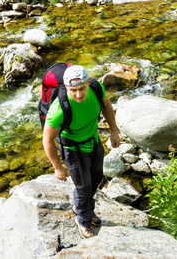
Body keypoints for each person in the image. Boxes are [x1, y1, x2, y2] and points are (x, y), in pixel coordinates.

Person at [43, 65, 120, 239]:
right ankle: (83, 220)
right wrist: (57, 167)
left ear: (88, 82)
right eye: (73, 90)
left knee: (96, 179)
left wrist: (114, 131)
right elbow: (47, 140)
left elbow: (107, 107)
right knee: (83, 186)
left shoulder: (96, 88)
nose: (79, 94)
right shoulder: (58, 109)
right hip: (72, 150)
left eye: (82, 88)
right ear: (66, 88)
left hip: (93, 141)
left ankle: (84, 207)